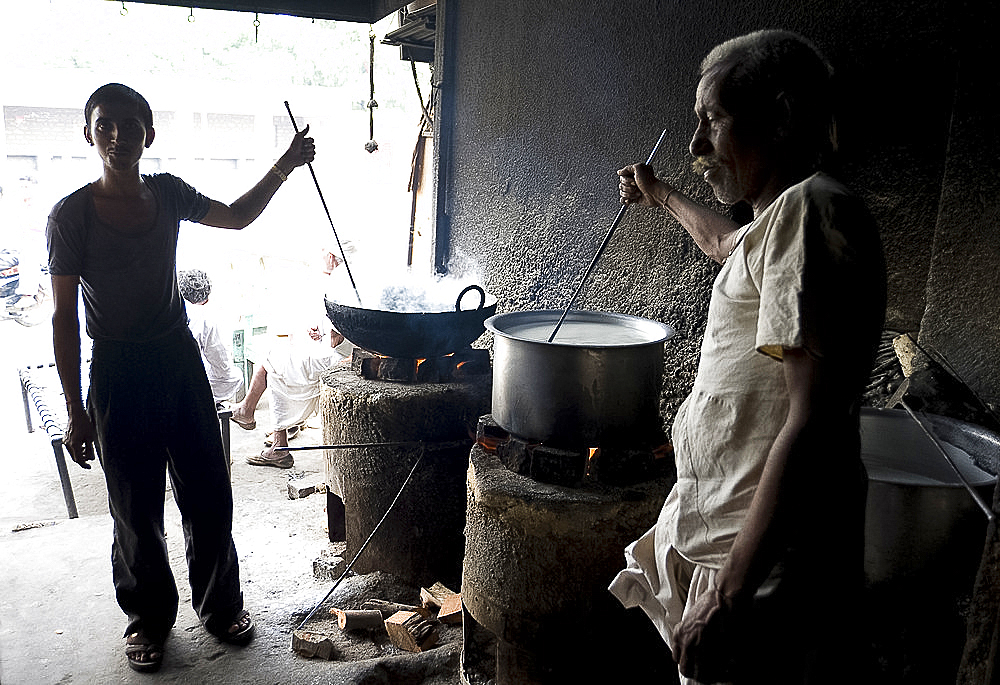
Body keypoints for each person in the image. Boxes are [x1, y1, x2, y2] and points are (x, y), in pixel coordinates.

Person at [608, 31, 886, 684]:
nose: (696, 145)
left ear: (780, 118)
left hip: (763, 568)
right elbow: (724, 242)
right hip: (745, 555)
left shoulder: (808, 211)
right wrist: (661, 193)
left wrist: (729, 596)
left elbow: (813, 420)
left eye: (712, 120)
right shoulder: (781, 221)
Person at [46, 83, 315, 673]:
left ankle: (219, 608)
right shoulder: (70, 215)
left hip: (176, 356)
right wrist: (75, 408)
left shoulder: (167, 194)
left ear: (149, 133)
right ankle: (148, 618)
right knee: (135, 509)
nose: (118, 135)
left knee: (209, 493)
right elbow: (63, 316)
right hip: (116, 367)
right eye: (105, 124)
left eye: (131, 124)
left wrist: (287, 164)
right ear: (88, 133)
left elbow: (239, 217)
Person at [230, 247, 354, 468]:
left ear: (333, 257)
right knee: (274, 358)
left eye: (325, 252)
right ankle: (273, 439)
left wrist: (325, 334)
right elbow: (336, 329)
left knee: (271, 361)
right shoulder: (346, 277)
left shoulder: (340, 281)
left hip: (339, 356)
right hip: (340, 349)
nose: (322, 255)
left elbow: (337, 337)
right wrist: (321, 332)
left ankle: (254, 419)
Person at [177, 268, 245, 406]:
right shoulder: (204, 319)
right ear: (205, 301)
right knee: (235, 376)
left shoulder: (162, 308)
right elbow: (222, 367)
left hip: (152, 379)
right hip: (183, 385)